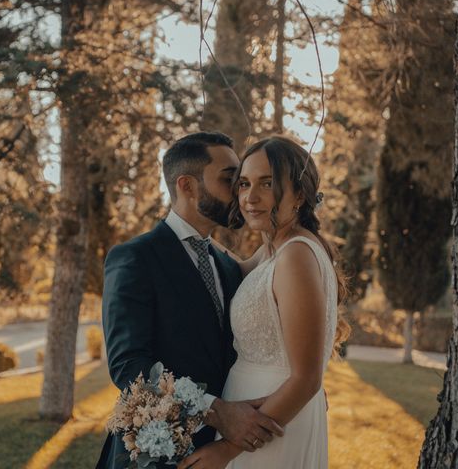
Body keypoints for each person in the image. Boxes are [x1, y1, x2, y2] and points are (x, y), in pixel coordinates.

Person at [96, 132, 284, 469]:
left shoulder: (227, 265)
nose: (240, 191)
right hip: (151, 454)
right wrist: (218, 412)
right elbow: (129, 367)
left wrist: (291, 387)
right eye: (230, 179)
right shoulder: (134, 258)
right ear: (188, 186)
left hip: (220, 453)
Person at [178, 135, 350, 469]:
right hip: (259, 416)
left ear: (299, 193)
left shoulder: (296, 255)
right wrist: (183, 233)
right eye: (243, 184)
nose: (250, 198)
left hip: (268, 424)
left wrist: (228, 448)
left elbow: (306, 378)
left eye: (267, 184)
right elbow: (231, 269)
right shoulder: (277, 248)